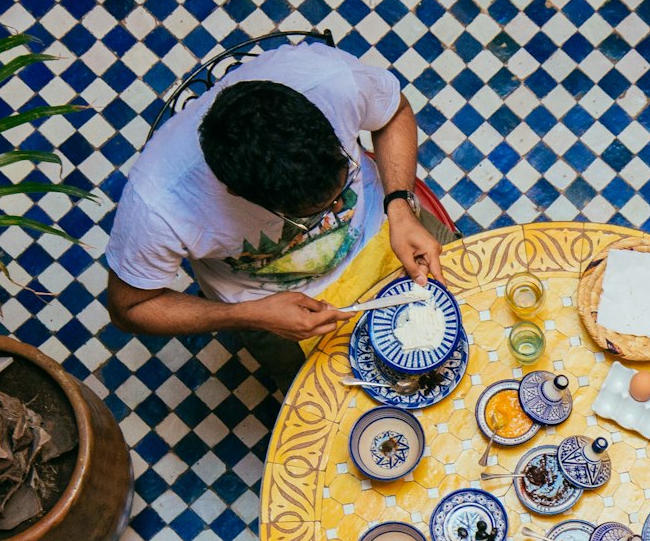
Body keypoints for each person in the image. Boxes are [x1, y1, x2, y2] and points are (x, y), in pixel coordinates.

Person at [103, 39, 444, 362]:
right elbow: (129, 308)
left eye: (343, 185)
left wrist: (400, 205)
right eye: (311, 214)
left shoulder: (329, 81)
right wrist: (248, 315)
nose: (337, 209)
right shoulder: (157, 205)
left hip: (390, 229)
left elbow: (394, 111)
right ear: (237, 193)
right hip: (274, 308)